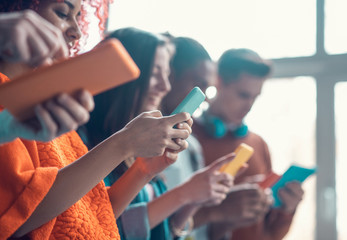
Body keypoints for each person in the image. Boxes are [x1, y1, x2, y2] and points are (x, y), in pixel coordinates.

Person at [0, 1, 191, 239]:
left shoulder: (46, 106)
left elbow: (87, 215)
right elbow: (18, 215)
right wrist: (123, 144)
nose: (76, 32)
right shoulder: (12, 100)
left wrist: (143, 170)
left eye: (78, 17)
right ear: (13, 12)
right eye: (62, 13)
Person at [80, 28, 235, 240]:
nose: (165, 86)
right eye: (155, 74)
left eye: (167, 75)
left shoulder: (143, 145)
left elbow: (161, 231)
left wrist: (193, 201)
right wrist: (184, 194)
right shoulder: (83, 143)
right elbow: (93, 227)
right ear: (123, 76)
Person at [192, 48, 305, 240]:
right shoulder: (187, 136)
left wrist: (287, 210)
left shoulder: (258, 144)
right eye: (243, 95)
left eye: (255, 97)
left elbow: (269, 234)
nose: (249, 105)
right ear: (218, 82)